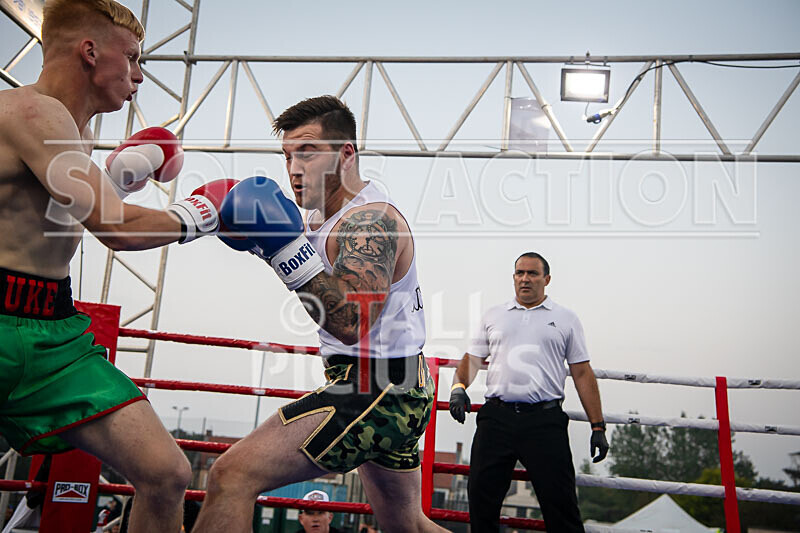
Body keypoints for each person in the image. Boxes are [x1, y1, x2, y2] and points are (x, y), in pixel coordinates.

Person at [0, 1, 237, 531]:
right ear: (89, 52)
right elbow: (117, 229)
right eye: (131, 57)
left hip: (53, 335)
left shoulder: (73, 132)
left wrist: (122, 178)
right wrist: (205, 213)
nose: (138, 74)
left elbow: (73, 211)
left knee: (166, 472)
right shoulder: (33, 114)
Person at [192, 96, 448, 533]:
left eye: (308, 152)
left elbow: (350, 322)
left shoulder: (370, 222)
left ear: (346, 153)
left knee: (231, 476)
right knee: (409, 526)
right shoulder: (315, 219)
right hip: (390, 383)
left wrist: (284, 250)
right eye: (287, 155)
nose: (293, 168)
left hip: (379, 387)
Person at [448, 252, 609, 532]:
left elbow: (582, 372)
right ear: (513, 278)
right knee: (481, 500)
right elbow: (471, 359)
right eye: (520, 273)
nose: (525, 279)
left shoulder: (566, 319)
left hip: (544, 422)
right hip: (496, 419)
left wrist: (598, 426)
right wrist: (458, 388)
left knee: (561, 504)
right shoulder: (494, 315)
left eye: (532, 273)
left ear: (546, 279)